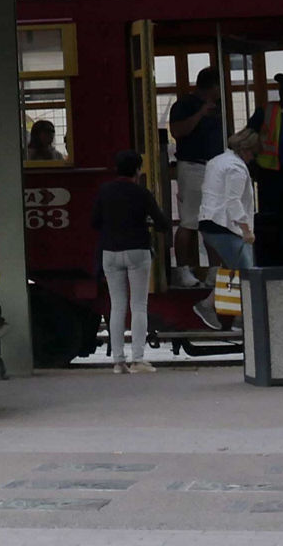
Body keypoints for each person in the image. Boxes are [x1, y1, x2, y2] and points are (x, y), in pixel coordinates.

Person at [91, 150, 168, 373]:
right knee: (138, 305)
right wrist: (147, 224)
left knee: (117, 305)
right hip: (137, 251)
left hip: (110, 252)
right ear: (137, 169)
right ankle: (138, 359)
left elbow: (94, 221)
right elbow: (162, 223)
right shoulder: (141, 193)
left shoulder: (104, 191)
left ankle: (118, 361)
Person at [191, 127, 260, 329]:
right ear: (246, 150)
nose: (253, 158)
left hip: (208, 222)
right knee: (248, 273)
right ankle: (243, 319)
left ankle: (210, 305)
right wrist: (246, 230)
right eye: (253, 154)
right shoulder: (236, 169)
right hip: (224, 226)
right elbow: (233, 202)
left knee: (233, 267)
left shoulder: (217, 161)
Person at [166, 67, 225, 288]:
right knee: (190, 221)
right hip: (192, 167)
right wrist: (200, 113)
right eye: (219, 86)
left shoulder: (219, 108)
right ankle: (184, 271)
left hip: (215, 168)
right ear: (212, 87)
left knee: (213, 222)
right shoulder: (184, 105)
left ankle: (214, 271)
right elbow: (178, 131)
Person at [247, 73, 283, 266]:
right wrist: (253, 165)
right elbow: (248, 136)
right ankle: (273, 260)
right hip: (270, 174)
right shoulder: (266, 111)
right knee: (272, 220)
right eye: (282, 87)